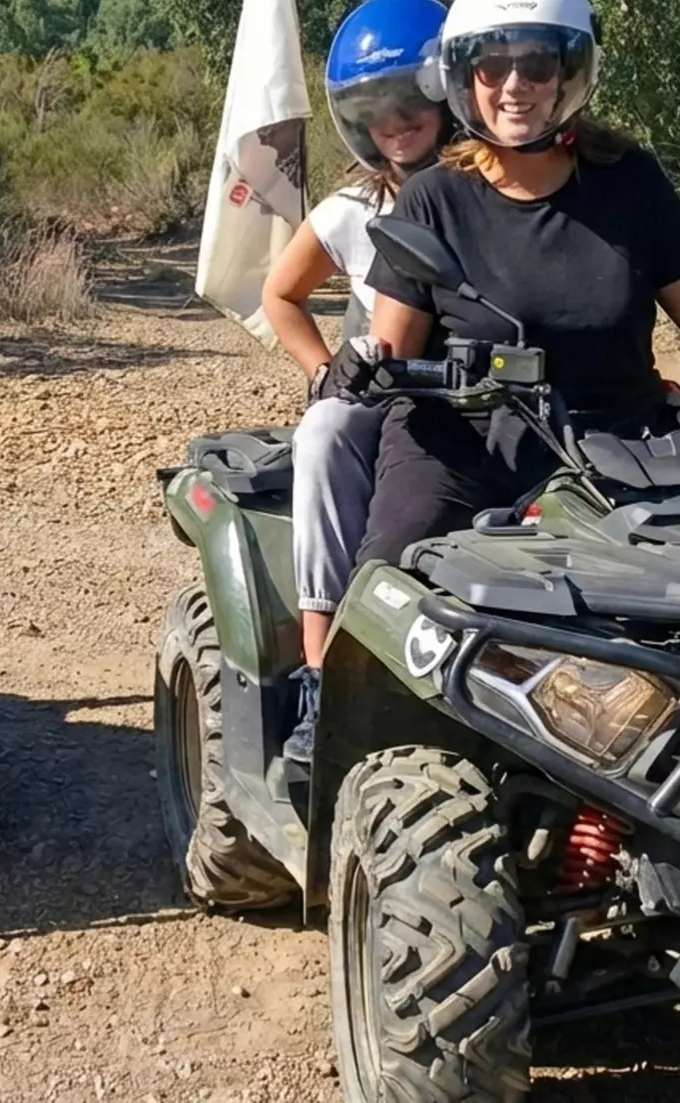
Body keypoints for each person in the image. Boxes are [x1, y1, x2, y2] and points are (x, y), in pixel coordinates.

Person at [289, 0, 680, 762]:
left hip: (629, 442)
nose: (512, 85)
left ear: (569, 72)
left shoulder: (628, 181)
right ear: (463, 78)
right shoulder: (435, 195)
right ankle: (338, 733)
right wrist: (357, 364)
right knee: (391, 581)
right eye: (491, 66)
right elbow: (392, 351)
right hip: (467, 442)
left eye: (534, 63)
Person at [264, 0, 454, 764]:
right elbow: (280, 293)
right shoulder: (353, 209)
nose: (398, 121)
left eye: (412, 100)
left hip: (492, 393)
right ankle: (319, 671)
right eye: (377, 111)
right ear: (356, 122)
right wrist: (325, 370)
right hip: (387, 391)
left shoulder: (492, 190)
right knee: (327, 432)